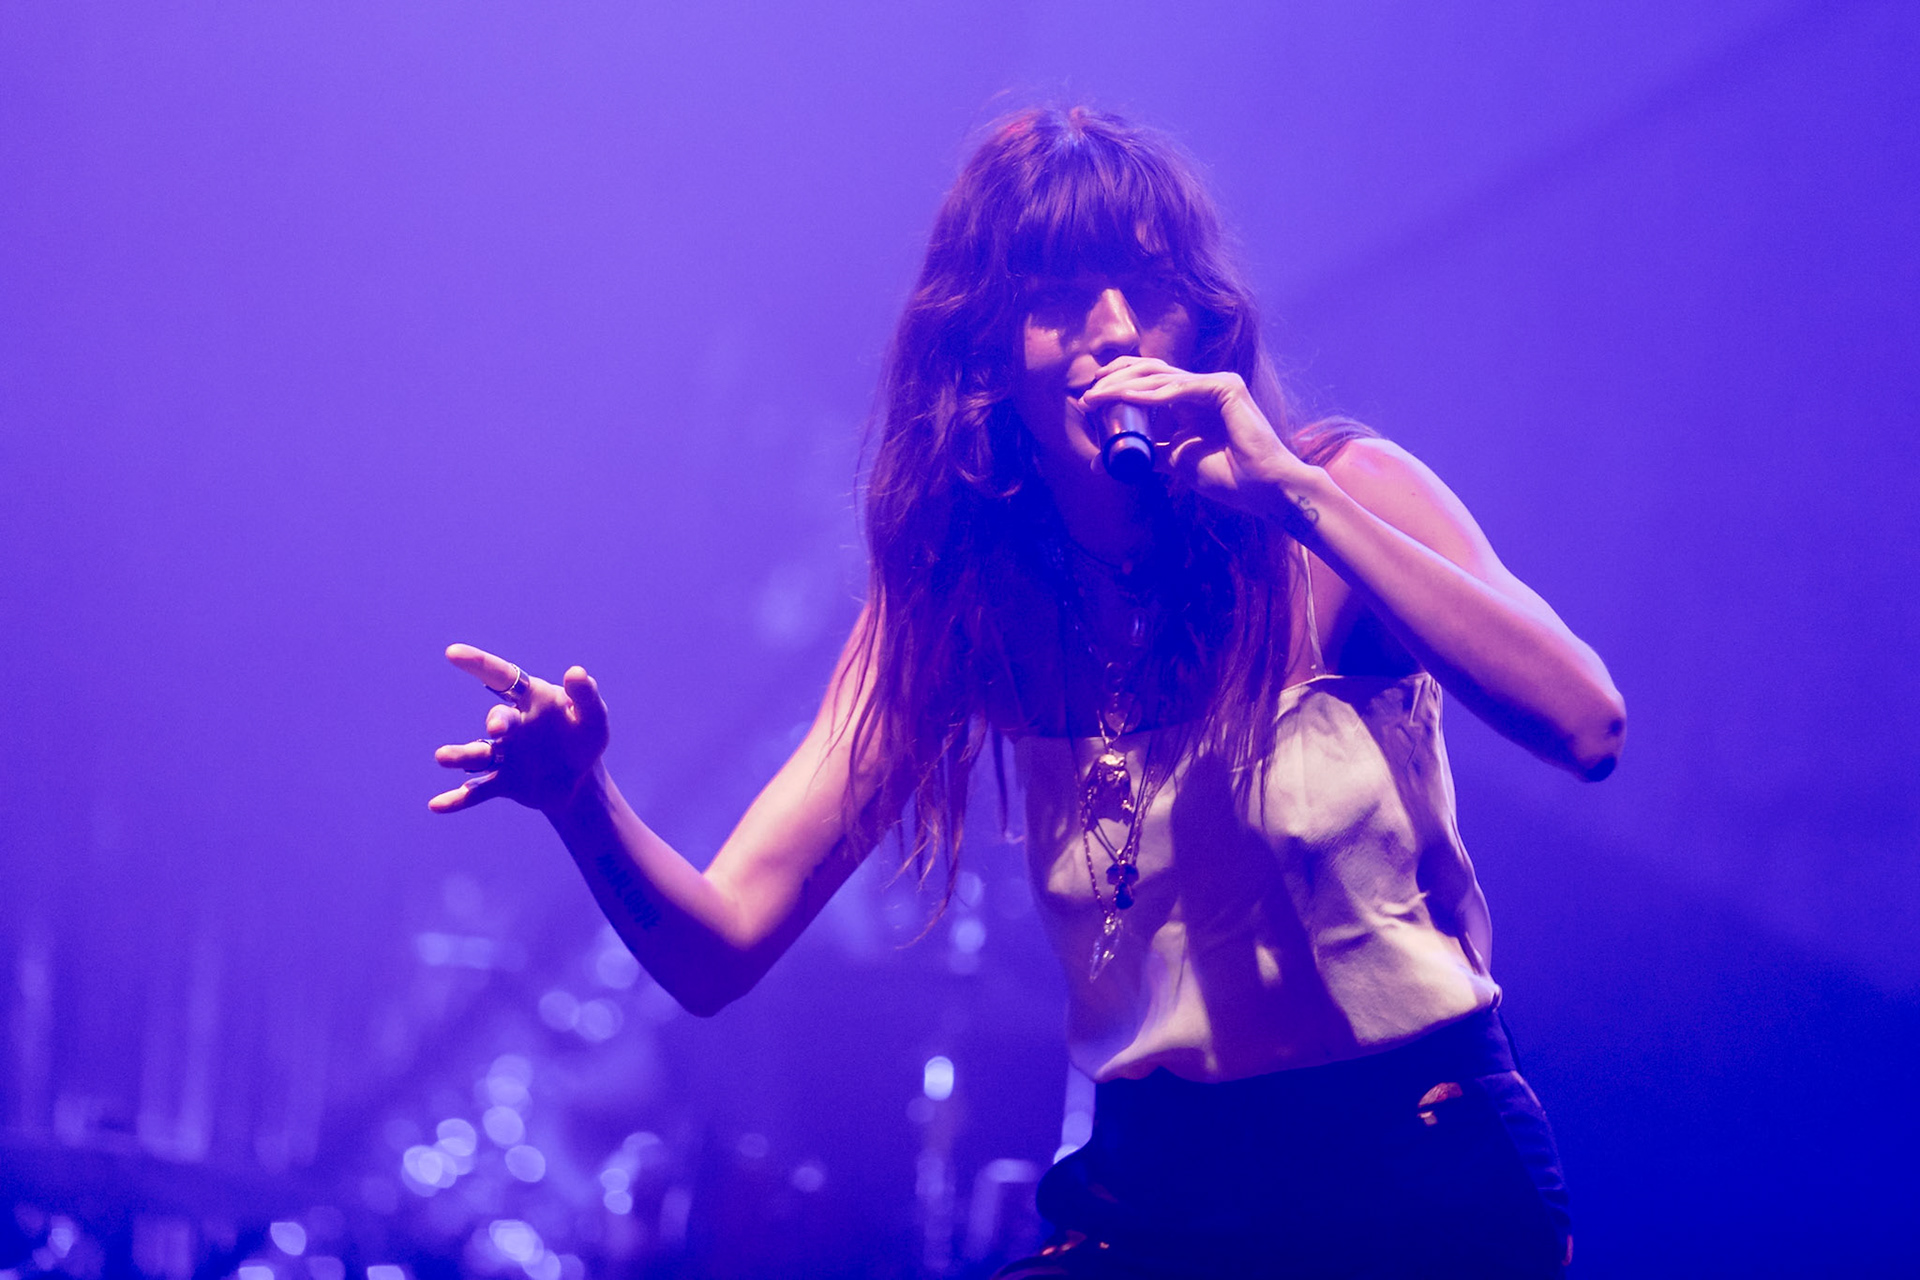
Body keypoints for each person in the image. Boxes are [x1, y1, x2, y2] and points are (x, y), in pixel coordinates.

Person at [430, 107, 1623, 1278]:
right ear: (992, 347)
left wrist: (1293, 498)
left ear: (1200, 316)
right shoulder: (968, 604)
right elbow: (720, 946)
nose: (1113, 331)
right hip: (1157, 1191)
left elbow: (1586, 720)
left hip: (1409, 1167)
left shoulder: (1335, 498)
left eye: (1144, 289)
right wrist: (580, 800)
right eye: (1060, 298)